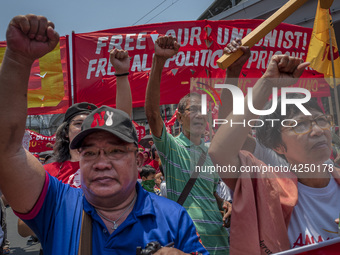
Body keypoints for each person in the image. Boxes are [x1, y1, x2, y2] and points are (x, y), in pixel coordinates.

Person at [0, 14, 207, 255]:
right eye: (89, 152)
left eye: (116, 151)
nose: (101, 163)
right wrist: (17, 60)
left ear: (139, 161)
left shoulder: (173, 217)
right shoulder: (57, 205)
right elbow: (7, 150)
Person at [208, 50, 340, 254]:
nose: (317, 131)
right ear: (277, 146)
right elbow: (221, 149)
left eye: (321, 121)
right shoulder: (269, 189)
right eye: (300, 125)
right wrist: (267, 83)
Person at [145, 35, 230, 254]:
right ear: (179, 117)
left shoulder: (214, 152)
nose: (201, 115)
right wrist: (159, 61)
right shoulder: (171, 148)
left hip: (222, 244)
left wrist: (224, 205)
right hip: (189, 244)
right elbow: (153, 114)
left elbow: (210, 192)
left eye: (204, 110)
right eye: (194, 110)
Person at [44, 46, 133, 187]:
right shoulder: (48, 173)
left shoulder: (110, 166)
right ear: (66, 133)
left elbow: (124, 122)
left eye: (91, 123)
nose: (85, 128)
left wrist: (121, 74)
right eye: (79, 123)